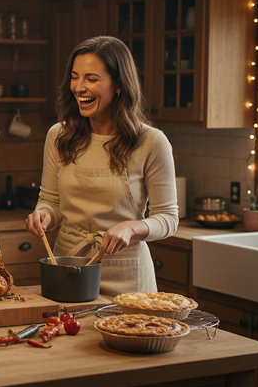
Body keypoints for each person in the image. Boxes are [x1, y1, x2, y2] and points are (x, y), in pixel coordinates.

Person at [25, 36, 178, 296]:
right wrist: (45, 215)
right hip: (68, 268)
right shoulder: (59, 135)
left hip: (127, 277)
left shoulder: (151, 142)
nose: (79, 87)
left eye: (92, 79)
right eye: (75, 77)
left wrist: (131, 227)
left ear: (119, 84)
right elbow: (51, 200)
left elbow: (168, 219)